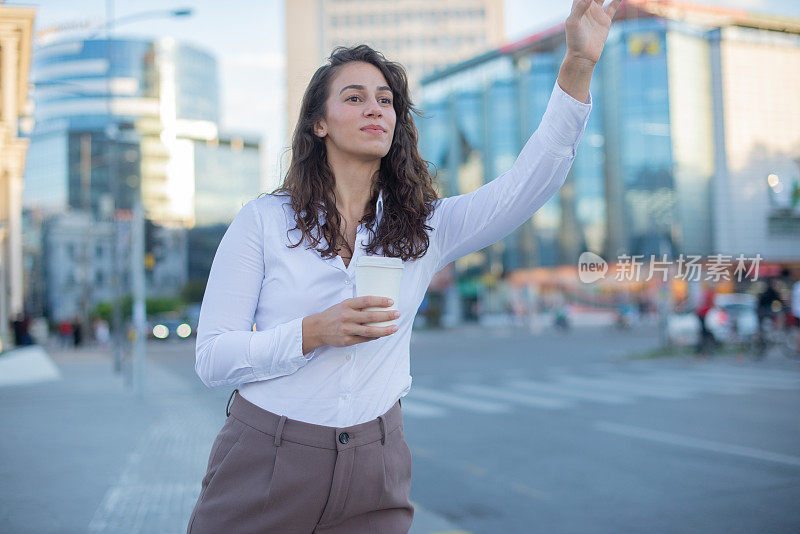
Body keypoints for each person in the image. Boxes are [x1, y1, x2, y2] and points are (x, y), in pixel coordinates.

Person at [187, 2, 617, 532]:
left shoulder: (425, 227)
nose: (376, 109)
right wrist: (310, 332)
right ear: (318, 123)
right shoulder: (262, 222)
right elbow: (211, 357)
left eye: (386, 101)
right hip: (265, 459)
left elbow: (532, 181)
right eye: (355, 97)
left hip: (376, 466)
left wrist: (578, 62)